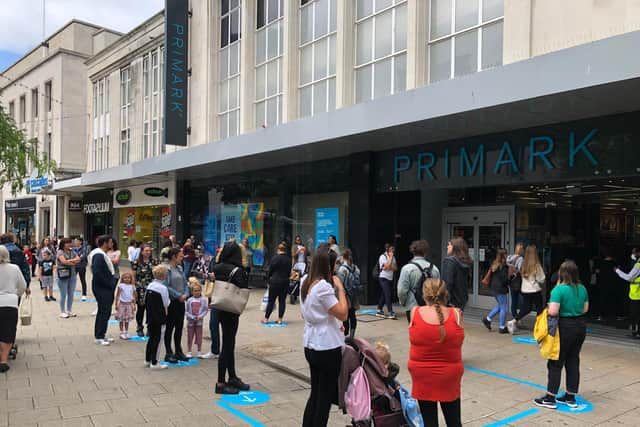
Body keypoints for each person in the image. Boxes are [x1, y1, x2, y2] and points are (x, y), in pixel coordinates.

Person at [301, 249, 348, 427]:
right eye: (335, 264)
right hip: (327, 346)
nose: (336, 268)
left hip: (310, 343)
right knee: (325, 399)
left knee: (315, 394)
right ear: (327, 266)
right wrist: (341, 289)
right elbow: (343, 313)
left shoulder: (306, 281)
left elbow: (314, 312)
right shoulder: (323, 287)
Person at [408, 278, 464, 427]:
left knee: (429, 422)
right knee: (454, 421)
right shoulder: (456, 314)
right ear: (446, 294)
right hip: (449, 375)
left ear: (424, 295)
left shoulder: (415, 313)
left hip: (422, 375)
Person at [534, 260, 589, 410]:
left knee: (555, 362)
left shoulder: (559, 290)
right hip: (580, 327)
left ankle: (550, 397)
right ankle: (570, 396)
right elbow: (585, 309)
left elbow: (552, 311)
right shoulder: (582, 288)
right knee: (573, 361)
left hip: (564, 328)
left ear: (561, 273)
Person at [210, 240, 251, 394]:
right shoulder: (238, 270)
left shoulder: (217, 266)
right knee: (228, 345)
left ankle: (232, 376)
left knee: (228, 342)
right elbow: (243, 286)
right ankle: (221, 382)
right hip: (231, 310)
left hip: (219, 307)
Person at [0, 246, 28, 373]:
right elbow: (22, 286)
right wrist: (15, 294)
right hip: (9, 303)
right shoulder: (14, 268)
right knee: (8, 331)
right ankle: (3, 360)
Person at [398, 240, 441, 324]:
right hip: (430, 306)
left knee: (415, 333)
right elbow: (439, 289)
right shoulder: (435, 269)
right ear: (425, 252)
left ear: (412, 251)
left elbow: (401, 290)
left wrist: (403, 302)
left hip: (412, 306)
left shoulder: (407, 268)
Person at [508, 245, 546, 334]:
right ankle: (539, 327)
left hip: (525, 290)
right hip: (535, 290)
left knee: (526, 308)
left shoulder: (523, 264)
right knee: (540, 308)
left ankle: (513, 321)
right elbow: (542, 278)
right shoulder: (536, 265)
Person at [163, 247, 189, 363]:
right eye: (180, 256)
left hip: (181, 302)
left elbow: (185, 283)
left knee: (179, 327)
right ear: (174, 257)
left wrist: (186, 294)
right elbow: (166, 286)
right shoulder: (166, 269)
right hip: (171, 302)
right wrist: (178, 295)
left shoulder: (179, 268)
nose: (182, 258)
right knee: (169, 328)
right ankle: (168, 352)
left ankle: (178, 351)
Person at [89, 235, 117, 346]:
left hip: (103, 286)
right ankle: (99, 336)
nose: (112, 244)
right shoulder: (98, 255)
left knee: (105, 311)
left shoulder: (100, 253)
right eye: (110, 242)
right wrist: (109, 283)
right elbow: (97, 271)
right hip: (102, 287)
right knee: (104, 311)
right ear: (105, 243)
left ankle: (102, 334)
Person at [145, 264, 170, 370]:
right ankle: (154, 362)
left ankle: (147, 359)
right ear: (164, 276)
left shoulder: (150, 285)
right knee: (158, 339)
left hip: (150, 316)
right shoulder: (163, 288)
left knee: (151, 338)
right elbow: (166, 303)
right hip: (159, 317)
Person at [132, 244, 159, 337]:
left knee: (151, 309)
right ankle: (139, 327)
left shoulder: (154, 261)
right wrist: (133, 287)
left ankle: (150, 328)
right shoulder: (136, 262)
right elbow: (134, 275)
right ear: (142, 252)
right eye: (146, 250)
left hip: (152, 287)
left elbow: (157, 273)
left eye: (149, 250)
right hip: (140, 288)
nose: (148, 252)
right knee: (141, 309)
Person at [482, 248, 510, 334]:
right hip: (501, 288)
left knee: (500, 306)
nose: (507, 255)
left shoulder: (495, 264)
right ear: (504, 255)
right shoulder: (503, 266)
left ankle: (488, 319)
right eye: (506, 254)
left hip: (494, 288)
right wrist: (511, 278)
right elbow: (504, 279)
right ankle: (502, 327)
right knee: (504, 308)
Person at [335, 249, 361, 338]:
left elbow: (340, 285)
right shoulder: (355, 268)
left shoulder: (342, 269)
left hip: (345, 296)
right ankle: (352, 336)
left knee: (345, 316)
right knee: (352, 315)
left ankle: (345, 335)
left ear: (343, 257)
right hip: (354, 295)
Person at [263, 243, 291, 324]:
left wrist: (268, 280)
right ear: (285, 250)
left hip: (275, 282)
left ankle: (266, 319)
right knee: (282, 301)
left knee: (271, 301)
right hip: (285, 282)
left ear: (278, 250)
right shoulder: (288, 259)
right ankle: (280, 319)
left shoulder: (275, 258)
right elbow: (289, 271)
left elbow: (270, 271)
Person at [441, 237, 471, 311]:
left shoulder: (449, 261)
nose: (447, 247)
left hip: (450, 301)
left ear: (454, 247)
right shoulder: (466, 261)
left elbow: (447, 282)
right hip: (461, 299)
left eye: (449, 245)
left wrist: (443, 300)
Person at [615, 253, 640, 338]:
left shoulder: (638, 265)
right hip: (637, 293)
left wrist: (617, 271)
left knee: (635, 314)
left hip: (636, 294)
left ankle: (638, 332)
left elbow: (628, 277)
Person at [56, 238, 81, 319]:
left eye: (70, 243)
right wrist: (72, 262)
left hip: (72, 275)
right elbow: (64, 262)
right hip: (63, 275)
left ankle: (69, 310)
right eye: (67, 243)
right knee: (63, 294)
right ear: (63, 244)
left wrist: (69, 261)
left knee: (71, 293)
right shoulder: (60, 252)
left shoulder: (72, 251)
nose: (69, 244)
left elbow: (78, 259)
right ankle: (62, 311)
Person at [185, 280, 208, 358]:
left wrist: (200, 316)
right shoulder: (189, 300)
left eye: (198, 290)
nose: (197, 292)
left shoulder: (204, 300)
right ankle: (189, 351)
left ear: (201, 290)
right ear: (192, 292)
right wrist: (191, 317)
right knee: (190, 337)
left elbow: (205, 310)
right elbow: (186, 311)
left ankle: (199, 351)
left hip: (199, 322)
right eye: (195, 291)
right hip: (190, 322)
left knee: (199, 337)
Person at [376, 244, 398, 319]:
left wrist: (389, 265)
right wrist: (390, 259)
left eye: (393, 249)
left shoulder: (393, 257)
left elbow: (395, 268)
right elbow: (387, 267)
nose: (393, 250)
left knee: (384, 294)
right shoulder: (383, 256)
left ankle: (379, 309)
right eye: (392, 249)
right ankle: (390, 311)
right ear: (388, 249)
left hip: (390, 278)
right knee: (388, 294)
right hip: (383, 278)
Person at [115, 271, 137, 340]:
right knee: (121, 319)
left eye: (128, 278)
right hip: (122, 304)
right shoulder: (121, 286)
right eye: (125, 278)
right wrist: (116, 304)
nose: (127, 279)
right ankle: (121, 332)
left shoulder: (132, 286)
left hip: (129, 304)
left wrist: (134, 304)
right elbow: (117, 295)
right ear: (122, 279)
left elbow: (134, 296)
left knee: (127, 319)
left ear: (131, 279)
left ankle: (126, 331)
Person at [506, 242, 525, 319]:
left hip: (511, 281)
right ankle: (518, 317)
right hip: (518, 281)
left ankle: (514, 317)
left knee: (514, 300)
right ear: (521, 250)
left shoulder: (509, 257)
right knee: (525, 300)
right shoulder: (520, 259)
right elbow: (520, 270)